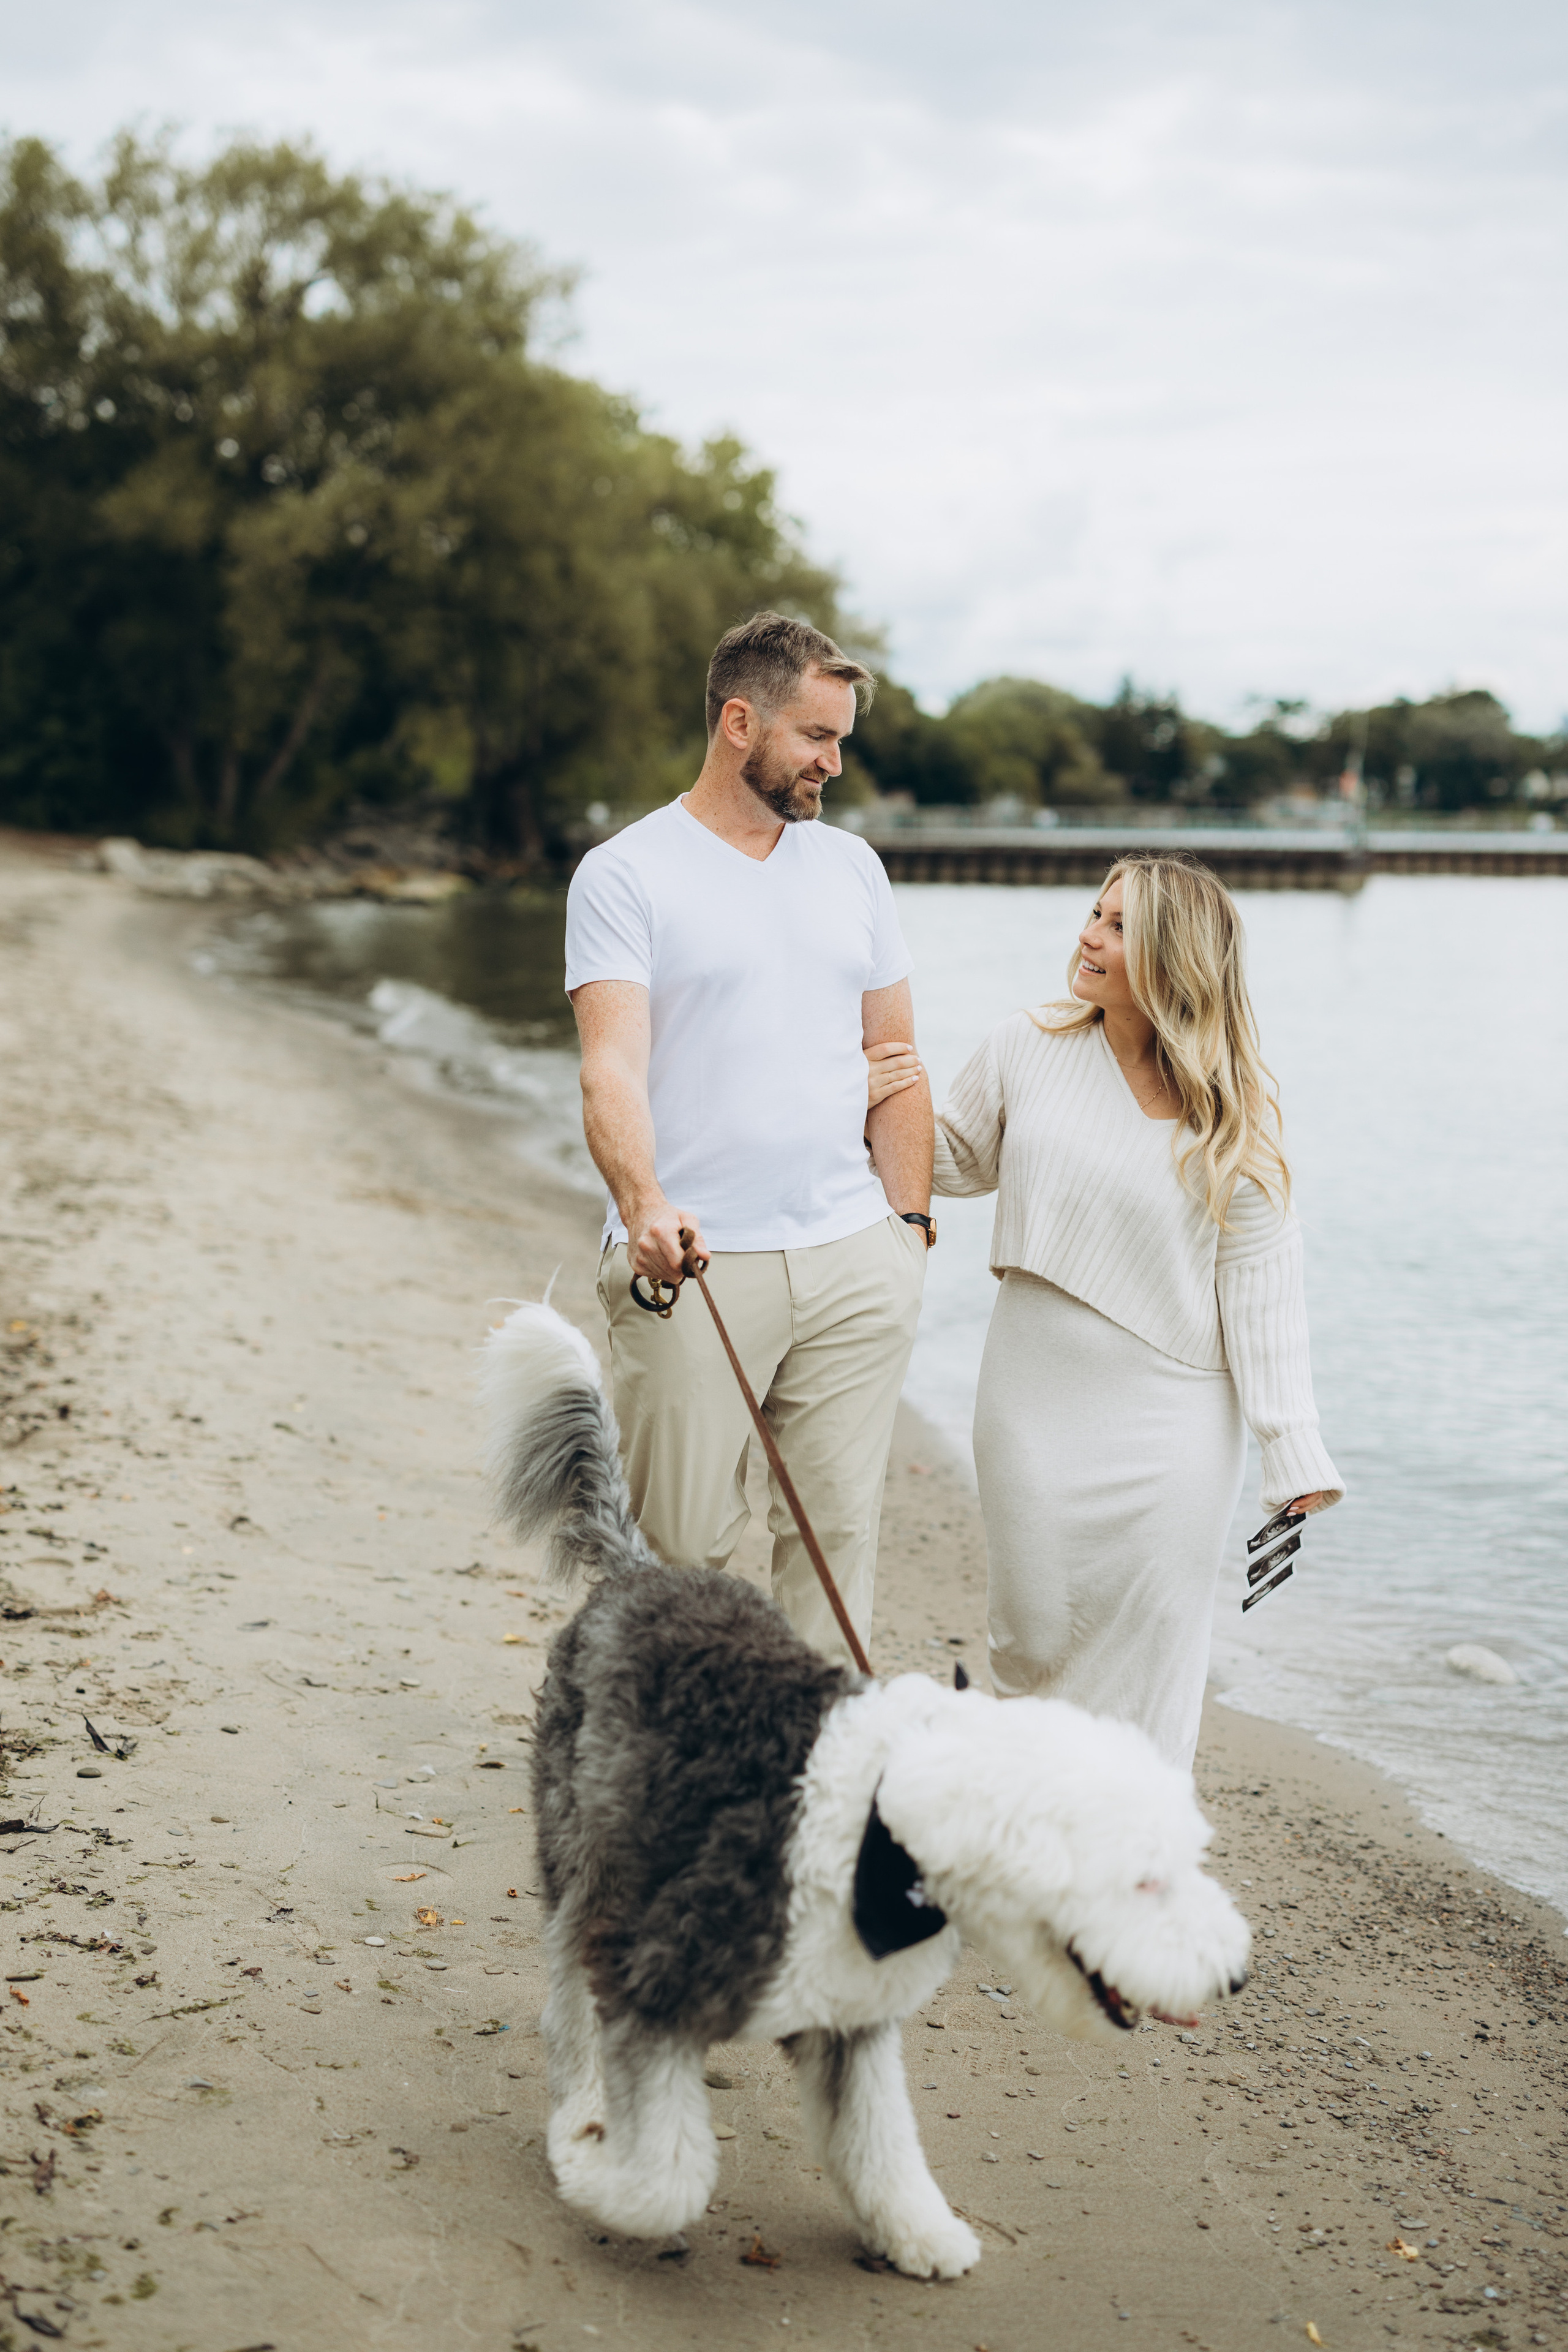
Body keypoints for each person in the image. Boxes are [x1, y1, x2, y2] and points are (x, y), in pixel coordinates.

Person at [866, 853, 1342, 1767]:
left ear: (1175, 956)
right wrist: (877, 1096)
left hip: (1174, 1423)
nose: (1090, 935)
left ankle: (1138, 1838)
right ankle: (1027, 1819)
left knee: (1156, 1649)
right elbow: (952, 1159)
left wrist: (1292, 1449)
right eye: (1095, 913)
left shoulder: (1234, 1112)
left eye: (1120, 927)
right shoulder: (1025, 1045)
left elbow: (1263, 1287)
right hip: (1030, 1400)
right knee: (1031, 1640)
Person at [564, 611, 935, 1665]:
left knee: (835, 1539)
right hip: (696, 1260)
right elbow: (610, 1066)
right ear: (739, 723)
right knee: (675, 1553)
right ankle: (661, 1746)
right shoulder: (627, 874)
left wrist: (907, 1231)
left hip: (853, 1257)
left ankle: (820, 1752)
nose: (834, 764)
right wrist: (643, 1205)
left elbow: (897, 1059)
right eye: (817, 737)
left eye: (842, 741)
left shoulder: (853, 868)